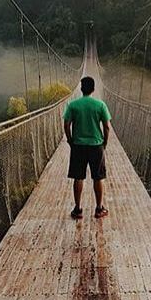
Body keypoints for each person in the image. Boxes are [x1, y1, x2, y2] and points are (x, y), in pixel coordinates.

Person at [63, 76, 112, 219]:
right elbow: (107, 126)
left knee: (78, 177)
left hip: (78, 146)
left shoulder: (73, 105)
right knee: (98, 177)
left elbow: (66, 124)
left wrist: (70, 140)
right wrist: (105, 142)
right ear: (93, 89)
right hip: (96, 146)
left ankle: (77, 210)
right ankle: (99, 209)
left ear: (81, 88)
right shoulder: (100, 105)